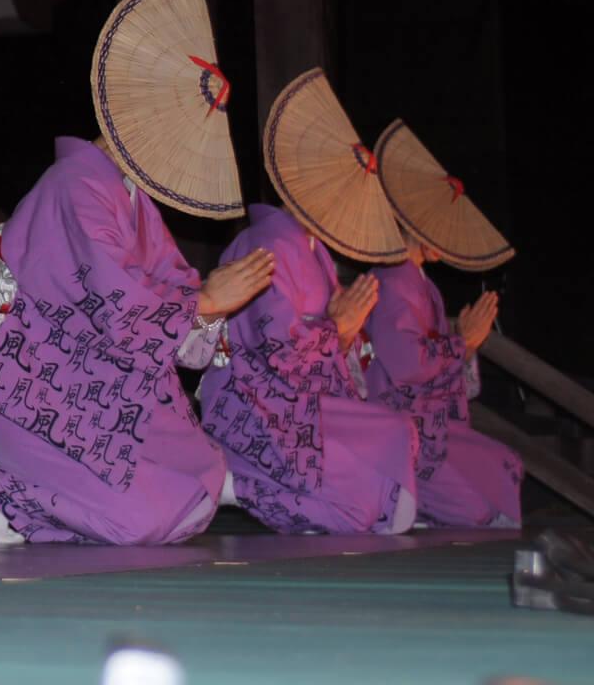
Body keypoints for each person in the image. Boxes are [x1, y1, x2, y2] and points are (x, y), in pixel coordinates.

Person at [0, 0, 271, 546]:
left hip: (105, 387)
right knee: (139, 519)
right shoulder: (75, 186)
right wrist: (205, 300)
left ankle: (47, 502)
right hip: (44, 391)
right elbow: (113, 303)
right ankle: (8, 489)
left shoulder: (131, 201)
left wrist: (205, 301)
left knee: (198, 488)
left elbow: (173, 293)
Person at [197, 71, 423, 534]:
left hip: (306, 398)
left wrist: (344, 333)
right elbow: (273, 353)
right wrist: (336, 330)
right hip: (257, 404)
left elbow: (329, 347)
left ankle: (286, 490)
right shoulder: (268, 244)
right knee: (359, 498)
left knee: (392, 441)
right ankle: (240, 483)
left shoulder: (314, 254)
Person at [363, 121, 523, 528]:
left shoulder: (419, 284)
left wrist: (465, 348)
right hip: (403, 424)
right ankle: (399, 494)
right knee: (478, 509)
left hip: (429, 422)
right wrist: (460, 344)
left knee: (506, 467)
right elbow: (407, 365)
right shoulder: (392, 280)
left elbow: (435, 362)